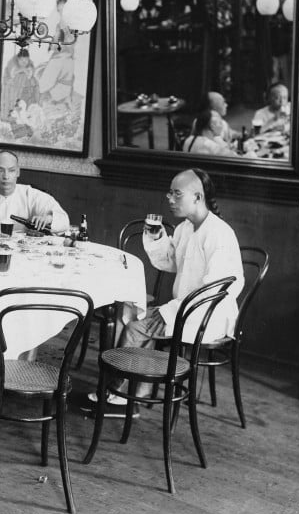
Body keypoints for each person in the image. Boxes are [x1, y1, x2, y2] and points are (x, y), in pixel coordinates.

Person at [88, 169, 244, 413]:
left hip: (207, 315)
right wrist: (159, 238)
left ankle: (114, 391)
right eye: (169, 192)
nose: (169, 198)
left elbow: (218, 288)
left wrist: (171, 311)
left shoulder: (219, 234)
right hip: (186, 307)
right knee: (131, 313)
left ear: (197, 197)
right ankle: (137, 391)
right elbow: (171, 261)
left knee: (135, 326)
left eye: (177, 194)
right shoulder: (185, 228)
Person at [0, 150, 70, 233]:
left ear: (18, 172)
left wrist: (48, 218)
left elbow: (64, 221)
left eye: (11, 171)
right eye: (0, 170)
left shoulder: (30, 194)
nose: (6, 176)